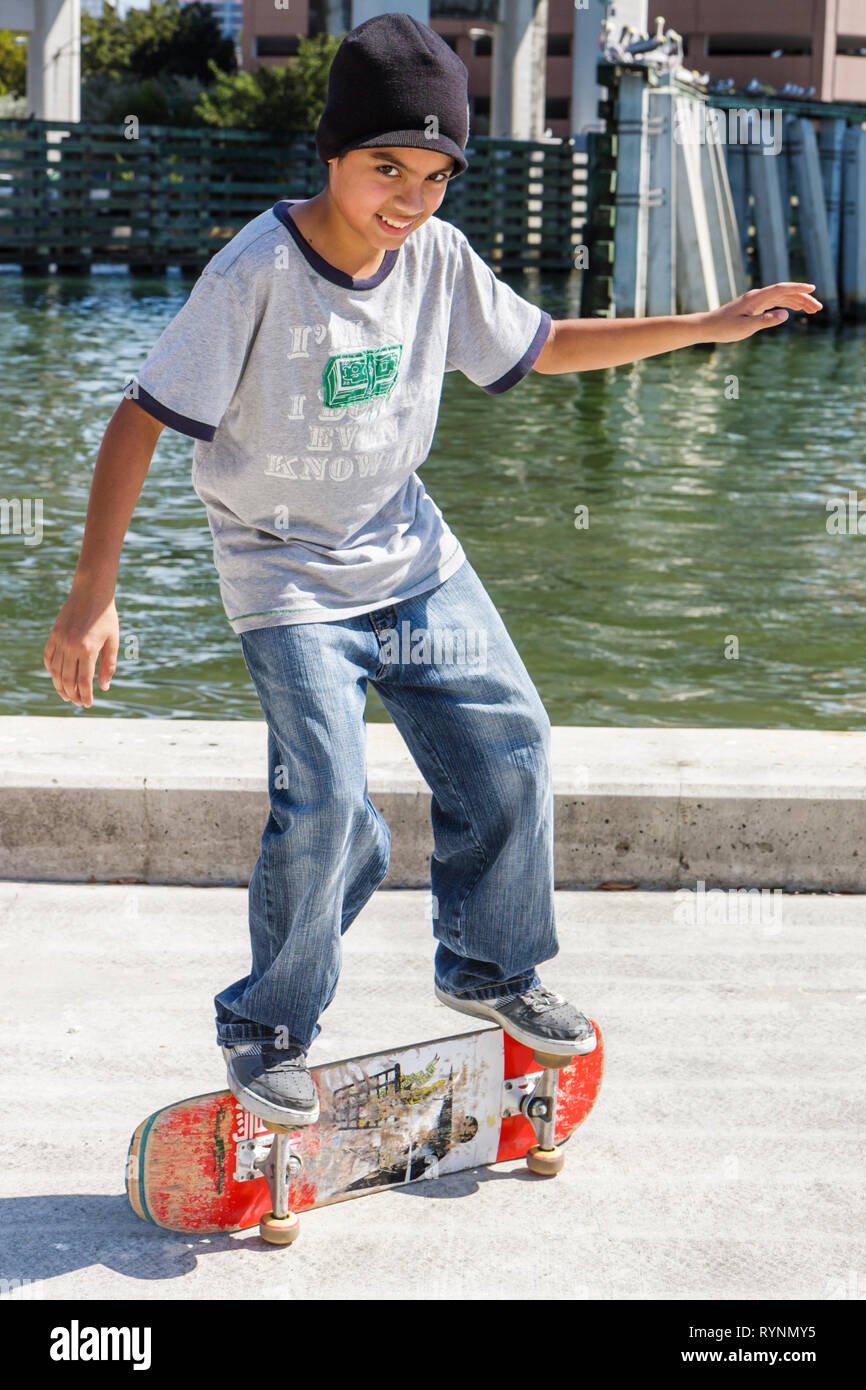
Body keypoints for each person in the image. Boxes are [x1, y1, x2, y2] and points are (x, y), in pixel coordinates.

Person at [43, 14, 821, 1130]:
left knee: (513, 744)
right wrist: (92, 591)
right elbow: (139, 420)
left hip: (409, 557)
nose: (408, 199)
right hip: (286, 577)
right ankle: (269, 1022)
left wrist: (705, 323)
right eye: (385, 171)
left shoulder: (438, 259)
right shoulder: (254, 270)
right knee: (330, 800)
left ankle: (488, 962)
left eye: (434, 175)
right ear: (333, 155)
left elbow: (543, 344)